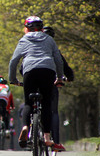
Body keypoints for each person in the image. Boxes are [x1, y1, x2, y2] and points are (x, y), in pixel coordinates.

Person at [8, 16, 64, 149]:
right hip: (47, 70)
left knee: (28, 102)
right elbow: (58, 59)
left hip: (29, 71)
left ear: (27, 28)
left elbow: (14, 61)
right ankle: (47, 137)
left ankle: (26, 127)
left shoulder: (24, 40)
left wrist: (13, 79)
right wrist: (60, 77)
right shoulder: (49, 39)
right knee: (45, 104)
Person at [43, 26, 74, 151]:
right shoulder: (54, 49)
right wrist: (68, 77)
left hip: (33, 79)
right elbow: (63, 64)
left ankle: (29, 129)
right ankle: (55, 141)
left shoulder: (32, 47)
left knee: (31, 104)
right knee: (53, 112)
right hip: (51, 82)